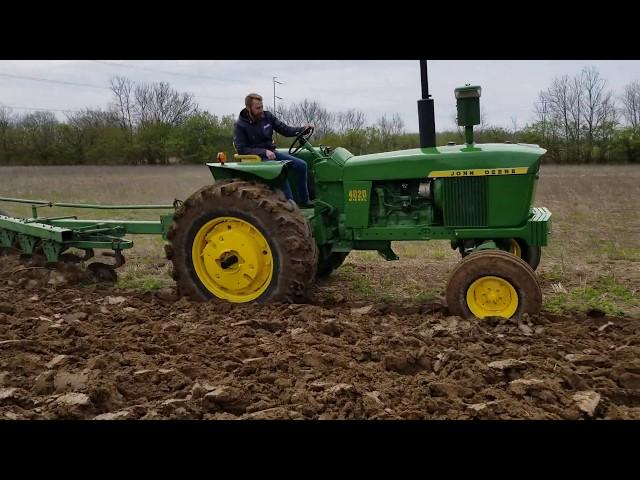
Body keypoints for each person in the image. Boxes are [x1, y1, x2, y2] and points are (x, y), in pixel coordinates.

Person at [234, 93, 314, 206]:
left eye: (262, 106)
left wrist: (303, 129)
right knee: (281, 170)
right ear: (248, 108)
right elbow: (241, 149)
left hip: (272, 154)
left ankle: (304, 201)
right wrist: (263, 152)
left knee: (301, 165)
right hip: (256, 159)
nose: (261, 110)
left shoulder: (267, 117)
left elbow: (285, 130)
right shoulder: (240, 125)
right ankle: (290, 206)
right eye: (258, 108)